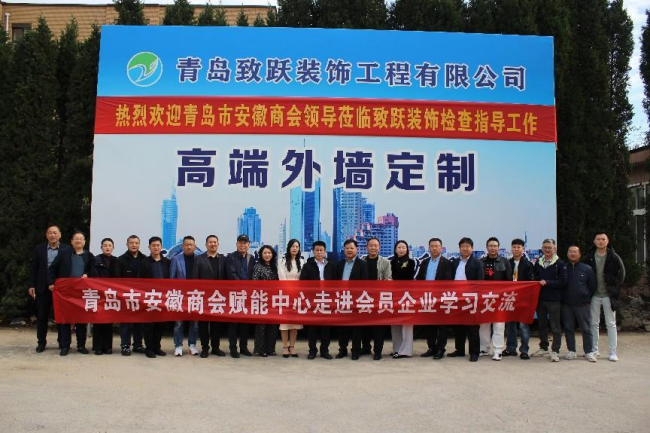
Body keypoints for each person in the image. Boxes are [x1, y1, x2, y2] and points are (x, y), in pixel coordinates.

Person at [48, 231, 93, 356]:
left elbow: (93, 270)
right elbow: (52, 268)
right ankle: (65, 345)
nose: (78, 241)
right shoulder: (64, 254)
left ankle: (81, 345)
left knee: (81, 320)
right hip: (65, 292)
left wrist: (87, 274)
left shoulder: (89, 256)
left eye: (81, 239)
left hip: (81, 293)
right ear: (72, 241)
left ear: (84, 242)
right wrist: (51, 283)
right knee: (65, 319)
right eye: (76, 238)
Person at [28, 225, 71, 353]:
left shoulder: (67, 249)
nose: (53, 235)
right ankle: (41, 342)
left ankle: (63, 343)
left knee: (61, 316)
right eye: (50, 233)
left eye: (55, 233)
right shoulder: (39, 249)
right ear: (46, 235)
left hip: (60, 287)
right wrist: (31, 285)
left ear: (60, 235)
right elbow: (34, 268)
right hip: (42, 287)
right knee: (42, 316)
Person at [584, 231, 626, 362]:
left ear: (607, 241)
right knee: (593, 323)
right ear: (594, 241)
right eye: (598, 239)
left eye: (603, 239)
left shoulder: (614, 256)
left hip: (609, 295)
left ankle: (612, 352)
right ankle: (594, 350)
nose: (601, 241)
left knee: (611, 324)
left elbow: (622, 273)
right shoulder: (589, 256)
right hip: (594, 295)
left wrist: (615, 287)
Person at [447, 237, 484, 362]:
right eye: (463, 246)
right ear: (459, 248)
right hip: (457, 298)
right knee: (458, 326)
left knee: (473, 327)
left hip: (471, 298)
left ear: (472, 248)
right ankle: (459, 350)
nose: (465, 248)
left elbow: (480, 282)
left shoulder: (477, 263)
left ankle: (474, 352)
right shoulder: (455, 262)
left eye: (467, 246)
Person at [416, 237, 454, 359]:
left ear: (441, 248)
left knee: (442, 325)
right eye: (432, 246)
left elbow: (448, 280)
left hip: (441, 298)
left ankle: (440, 349)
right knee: (429, 324)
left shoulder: (447, 263)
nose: (434, 248)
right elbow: (420, 279)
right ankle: (431, 347)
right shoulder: (425, 262)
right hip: (427, 298)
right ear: (429, 248)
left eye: (436, 246)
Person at [192, 235, 227, 358]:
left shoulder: (224, 259)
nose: (213, 244)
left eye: (215, 242)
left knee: (217, 325)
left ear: (218, 244)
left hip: (218, 298)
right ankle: (205, 348)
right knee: (203, 325)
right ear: (206, 245)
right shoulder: (199, 259)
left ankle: (216, 348)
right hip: (203, 297)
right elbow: (195, 278)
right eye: (210, 242)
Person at [532, 238, 567, 362]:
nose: (547, 250)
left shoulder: (560, 263)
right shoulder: (538, 262)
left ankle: (555, 350)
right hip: (541, 299)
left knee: (555, 326)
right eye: (545, 247)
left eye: (549, 247)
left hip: (554, 300)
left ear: (555, 249)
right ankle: (543, 347)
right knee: (542, 325)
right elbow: (535, 278)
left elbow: (563, 281)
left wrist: (547, 283)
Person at [300, 240, 336, 360]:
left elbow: (336, 282)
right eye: (317, 250)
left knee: (326, 327)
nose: (319, 252)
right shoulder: (307, 266)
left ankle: (325, 350)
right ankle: (312, 351)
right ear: (313, 251)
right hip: (313, 299)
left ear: (325, 252)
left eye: (321, 250)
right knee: (312, 327)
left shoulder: (331, 265)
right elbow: (302, 283)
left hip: (327, 299)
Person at [479, 237, 512, 361]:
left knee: (499, 325)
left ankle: (498, 350)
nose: (493, 248)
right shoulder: (481, 262)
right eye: (490, 246)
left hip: (499, 299)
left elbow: (509, 281)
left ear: (498, 248)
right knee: (484, 325)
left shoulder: (505, 262)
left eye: (495, 246)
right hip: (484, 298)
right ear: (487, 247)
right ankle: (484, 348)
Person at [336, 239, 369, 361]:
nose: (349, 250)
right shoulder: (339, 264)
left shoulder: (362, 264)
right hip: (342, 299)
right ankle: (342, 350)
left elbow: (365, 283)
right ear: (344, 250)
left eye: (351, 248)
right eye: (347, 248)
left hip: (356, 300)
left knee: (356, 328)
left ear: (357, 249)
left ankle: (355, 351)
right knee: (342, 327)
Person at [563, 245, 597, 362]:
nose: (572, 254)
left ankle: (589, 352)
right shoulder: (563, 267)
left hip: (583, 304)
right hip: (567, 304)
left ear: (579, 254)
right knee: (568, 328)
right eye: (570, 251)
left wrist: (585, 297)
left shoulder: (587, 268)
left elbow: (592, 286)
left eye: (575, 252)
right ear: (567, 254)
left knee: (586, 329)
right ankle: (571, 351)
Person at [360, 237, 392, 360]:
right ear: (366, 247)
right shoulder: (361, 261)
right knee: (365, 325)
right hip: (364, 298)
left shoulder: (385, 262)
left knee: (379, 326)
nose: (373, 248)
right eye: (371, 245)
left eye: (376, 246)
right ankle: (366, 347)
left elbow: (388, 279)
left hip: (379, 298)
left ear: (379, 248)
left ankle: (378, 351)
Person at [138, 236, 171, 359]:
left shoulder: (167, 262)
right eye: (153, 245)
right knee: (149, 325)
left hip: (163, 297)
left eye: (158, 245)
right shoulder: (144, 262)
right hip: (149, 297)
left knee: (160, 324)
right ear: (149, 247)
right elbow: (139, 280)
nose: (156, 247)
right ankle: (149, 348)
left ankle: (157, 347)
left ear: (161, 247)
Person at [225, 234, 257, 358]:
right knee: (233, 323)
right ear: (236, 244)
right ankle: (233, 348)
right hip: (234, 294)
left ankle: (243, 347)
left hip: (248, 296)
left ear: (248, 245)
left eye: (245, 243)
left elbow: (253, 276)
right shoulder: (230, 257)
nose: (242, 245)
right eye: (240, 242)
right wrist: (243, 288)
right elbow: (231, 274)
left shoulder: (252, 258)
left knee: (245, 323)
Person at [505, 238, 535, 360]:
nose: (516, 249)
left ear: (523, 249)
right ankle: (511, 348)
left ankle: (524, 350)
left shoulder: (528, 264)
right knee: (510, 325)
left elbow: (531, 282)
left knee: (523, 326)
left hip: (523, 298)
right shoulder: (507, 263)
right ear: (511, 249)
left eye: (519, 247)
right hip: (510, 298)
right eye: (514, 247)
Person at [116, 235, 146, 356]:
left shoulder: (144, 259)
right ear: (127, 244)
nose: (134, 245)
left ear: (139, 244)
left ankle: (138, 344)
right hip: (126, 295)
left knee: (139, 322)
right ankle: (125, 345)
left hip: (140, 296)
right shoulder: (121, 260)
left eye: (136, 243)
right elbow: (117, 279)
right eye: (131, 243)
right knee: (126, 322)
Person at [170, 236, 199, 357]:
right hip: (180, 296)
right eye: (186, 245)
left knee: (195, 323)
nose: (189, 247)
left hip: (195, 296)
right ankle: (178, 346)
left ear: (194, 246)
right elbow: (172, 278)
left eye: (191, 245)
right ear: (183, 246)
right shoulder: (176, 259)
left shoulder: (199, 259)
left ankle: (192, 345)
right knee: (178, 323)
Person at [89, 237, 118, 355]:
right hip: (99, 294)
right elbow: (93, 276)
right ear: (101, 247)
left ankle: (108, 347)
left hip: (111, 295)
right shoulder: (95, 260)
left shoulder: (116, 260)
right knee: (98, 321)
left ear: (113, 248)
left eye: (110, 245)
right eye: (105, 245)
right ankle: (97, 347)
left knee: (108, 321)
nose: (107, 247)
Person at [277, 239, 304, 358]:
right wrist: (289, 291)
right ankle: (284, 347)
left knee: (295, 323)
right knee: (284, 322)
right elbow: (282, 278)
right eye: (293, 246)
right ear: (288, 248)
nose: (295, 248)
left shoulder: (301, 262)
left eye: (297, 246)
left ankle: (292, 346)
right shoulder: (282, 261)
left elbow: (302, 279)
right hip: (285, 294)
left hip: (297, 295)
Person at [252, 245, 279, 358]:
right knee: (261, 326)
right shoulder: (258, 266)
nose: (267, 255)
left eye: (269, 253)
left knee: (272, 325)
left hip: (273, 300)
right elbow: (254, 282)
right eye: (265, 253)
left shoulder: (275, 267)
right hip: (261, 299)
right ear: (261, 255)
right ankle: (260, 349)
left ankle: (270, 349)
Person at [390, 240, 416, 359]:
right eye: (399, 247)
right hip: (394, 296)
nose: (401, 249)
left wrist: (395, 279)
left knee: (406, 323)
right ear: (395, 250)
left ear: (407, 250)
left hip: (407, 296)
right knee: (395, 323)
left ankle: (405, 350)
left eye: (403, 247)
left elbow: (407, 276)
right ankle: (396, 349)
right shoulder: (391, 262)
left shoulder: (411, 262)